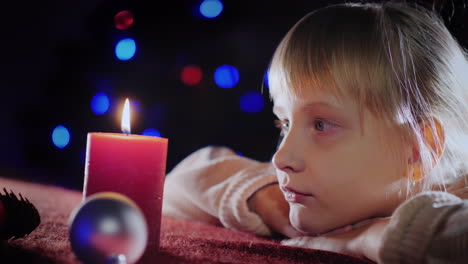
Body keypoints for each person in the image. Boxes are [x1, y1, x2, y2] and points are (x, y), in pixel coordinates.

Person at [162, 2, 468, 263]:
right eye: (284, 124)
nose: (281, 158)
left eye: (321, 124)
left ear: (416, 147)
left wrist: (366, 239)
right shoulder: (323, 193)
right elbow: (176, 188)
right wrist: (267, 200)